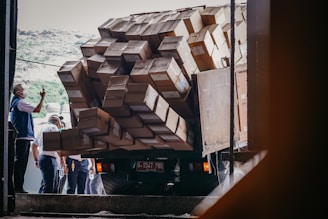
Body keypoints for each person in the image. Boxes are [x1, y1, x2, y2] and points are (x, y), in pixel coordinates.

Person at [9, 83, 45, 193]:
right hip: (22, 136)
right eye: (22, 89)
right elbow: (37, 110)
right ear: (18, 92)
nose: (24, 91)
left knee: (21, 162)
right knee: (20, 163)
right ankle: (18, 188)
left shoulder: (15, 103)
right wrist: (42, 98)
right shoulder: (20, 103)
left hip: (22, 136)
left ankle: (18, 187)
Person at [31, 114, 64, 193]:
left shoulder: (42, 128)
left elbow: (34, 145)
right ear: (57, 123)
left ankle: (39, 202)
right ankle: (44, 204)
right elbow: (56, 144)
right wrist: (62, 158)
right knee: (50, 186)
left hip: (43, 158)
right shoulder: (53, 128)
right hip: (49, 159)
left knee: (46, 184)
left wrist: (36, 159)